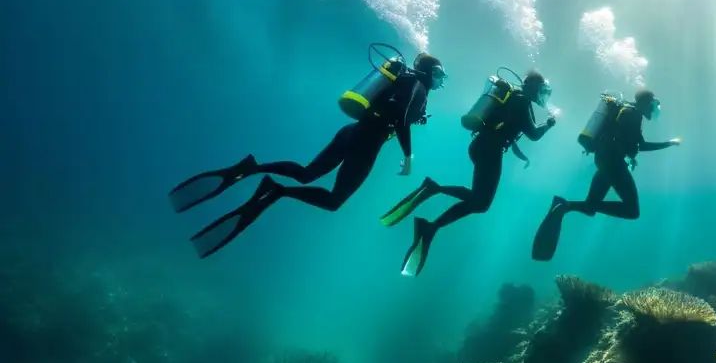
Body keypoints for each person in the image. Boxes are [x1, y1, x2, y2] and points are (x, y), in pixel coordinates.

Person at [169, 52, 447, 259]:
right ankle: (277, 190)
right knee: (334, 200)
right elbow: (398, 119)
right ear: (429, 71)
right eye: (439, 74)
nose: (440, 81)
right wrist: (409, 157)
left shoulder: (404, 79)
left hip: (350, 132)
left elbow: (397, 112)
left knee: (307, 173)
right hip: (366, 144)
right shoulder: (418, 86)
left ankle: (253, 168)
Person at [382, 69, 557, 276]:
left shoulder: (510, 98)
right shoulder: (521, 102)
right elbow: (534, 134)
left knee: (479, 202)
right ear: (533, 88)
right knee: (481, 202)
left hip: (481, 146)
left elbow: (507, 130)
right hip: (490, 151)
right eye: (541, 90)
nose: (541, 95)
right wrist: (549, 124)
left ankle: (432, 221)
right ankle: (433, 197)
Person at [532, 88, 680, 261]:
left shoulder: (625, 110)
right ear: (645, 103)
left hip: (603, 162)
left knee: (589, 208)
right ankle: (568, 206)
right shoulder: (633, 115)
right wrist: (669, 143)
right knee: (632, 211)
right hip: (613, 165)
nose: (653, 110)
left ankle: (565, 206)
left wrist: (629, 155)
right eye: (652, 105)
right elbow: (640, 146)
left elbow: (626, 143)